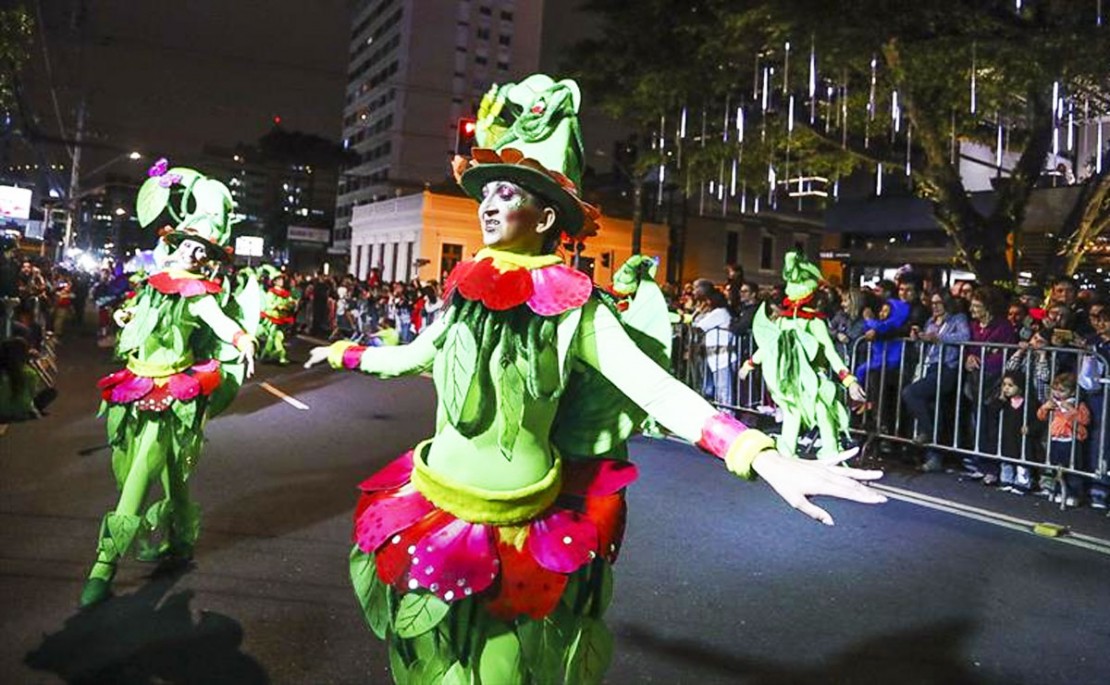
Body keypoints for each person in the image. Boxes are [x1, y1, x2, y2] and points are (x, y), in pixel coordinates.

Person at [304, 74, 884, 684]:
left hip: (520, 524)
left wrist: (759, 456)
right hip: (435, 501)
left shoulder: (574, 307)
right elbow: (412, 357)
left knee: (502, 672)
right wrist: (345, 353)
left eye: (508, 192)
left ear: (547, 216)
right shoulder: (463, 290)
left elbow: (656, 389)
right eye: (486, 193)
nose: (489, 204)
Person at [80, 163, 258, 607]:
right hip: (138, 380)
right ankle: (181, 540)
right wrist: (125, 316)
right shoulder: (152, 286)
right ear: (174, 247)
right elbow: (136, 319)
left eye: (201, 252)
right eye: (187, 246)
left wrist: (242, 338)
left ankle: (105, 562)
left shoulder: (199, 294)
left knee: (143, 468)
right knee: (173, 471)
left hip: (172, 390)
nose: (192, 255)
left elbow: (219, 320)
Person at [742, 249, 866, 458]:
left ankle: (829, 450)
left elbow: (829, 351)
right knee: (795, 411)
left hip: (812, 377)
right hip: (792, 377)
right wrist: (750, 363)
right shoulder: (784, 320)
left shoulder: (813, 322)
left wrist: (849, 380)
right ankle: (789, 450)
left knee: (822, 407)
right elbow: (770, 346)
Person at [901, 292, 970, 472]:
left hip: (948, 368)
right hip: (930, 366)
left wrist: (939, 337)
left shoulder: (958, 319)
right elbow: (925, 347)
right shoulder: (930, 321)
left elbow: (965, 337)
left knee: (910, 393)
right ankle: (934, 457)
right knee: (932, 409)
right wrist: (918, 338)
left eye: (939, 302)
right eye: (933, 303)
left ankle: (929, 433)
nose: (935, 306)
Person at [1037, 372, 1091, 507]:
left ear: (1072, 392)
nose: (1057, 393)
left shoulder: (1077, 404)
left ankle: (1074, 495)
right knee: (1057, 468)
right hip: (1055, 439)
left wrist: (1071, 410)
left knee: (1072, 469)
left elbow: (1085, 420)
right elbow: (1041, 417)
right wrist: (1044, 408)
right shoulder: (1053, 403)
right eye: (1055, 389)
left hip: (1071, 440)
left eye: (1062, 390)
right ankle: (1059, 491)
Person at [986, 370, 1040, 494]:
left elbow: (1038, 420)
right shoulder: (1004, 402)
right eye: (1004, 385)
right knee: (1006, 460)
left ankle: (1022, 483)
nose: (1006, 388)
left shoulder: (1030, 403)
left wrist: (1030, 428)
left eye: (1010, 385)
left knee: (1022, 462)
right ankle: (1006, 480)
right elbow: (992, 411)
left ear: (1020, 387)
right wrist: (1000, 400)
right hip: (1007, 437)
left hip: (1022, 438)